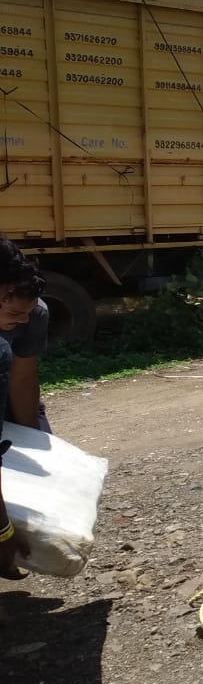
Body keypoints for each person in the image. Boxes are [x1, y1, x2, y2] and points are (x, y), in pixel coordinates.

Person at [0, 238, 50, 579]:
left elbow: (22, 379)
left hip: (6, 391)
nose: (21, 321)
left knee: (37, 470)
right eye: (13, 314)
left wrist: (31, 437)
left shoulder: (34, 314)